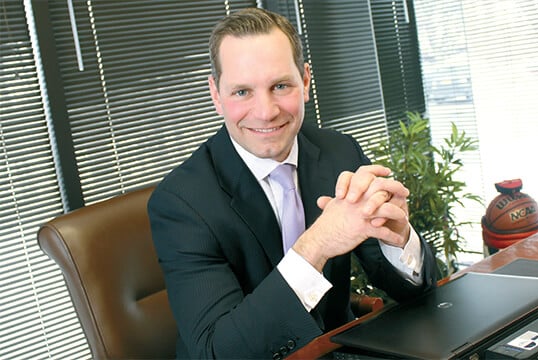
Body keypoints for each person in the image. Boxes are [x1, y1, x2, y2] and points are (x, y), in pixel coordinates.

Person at [148, 7, 437, 359]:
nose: (266, 111)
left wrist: (399, 238)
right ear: (215, 94)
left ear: (305, 82)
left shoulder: (339, 152)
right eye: (242, 92)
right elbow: (217, 351)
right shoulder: (180, 203)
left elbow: (412, 293)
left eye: (280, 85)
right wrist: (315, 245)